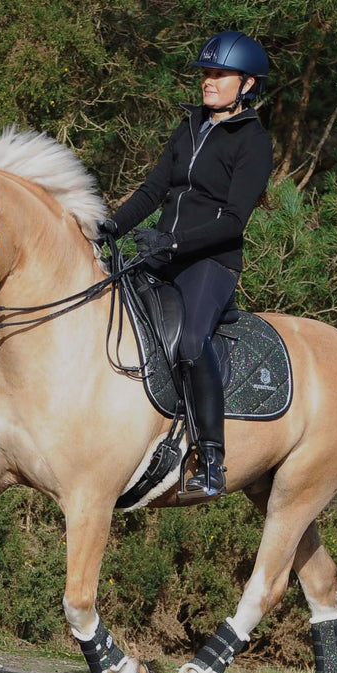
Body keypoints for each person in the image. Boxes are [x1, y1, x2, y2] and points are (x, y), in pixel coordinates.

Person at [101, 31, 274, 496]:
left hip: (210, 262)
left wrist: (172, 244)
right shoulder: (190, 125)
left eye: (219, 74)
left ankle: (211, 459)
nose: (208, 81)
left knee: (192, 342)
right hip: (162, 250)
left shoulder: (253, 142)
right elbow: (154, 190)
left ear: (248, 84)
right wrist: (110, 226)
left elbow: (234, 221)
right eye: (206, 73)